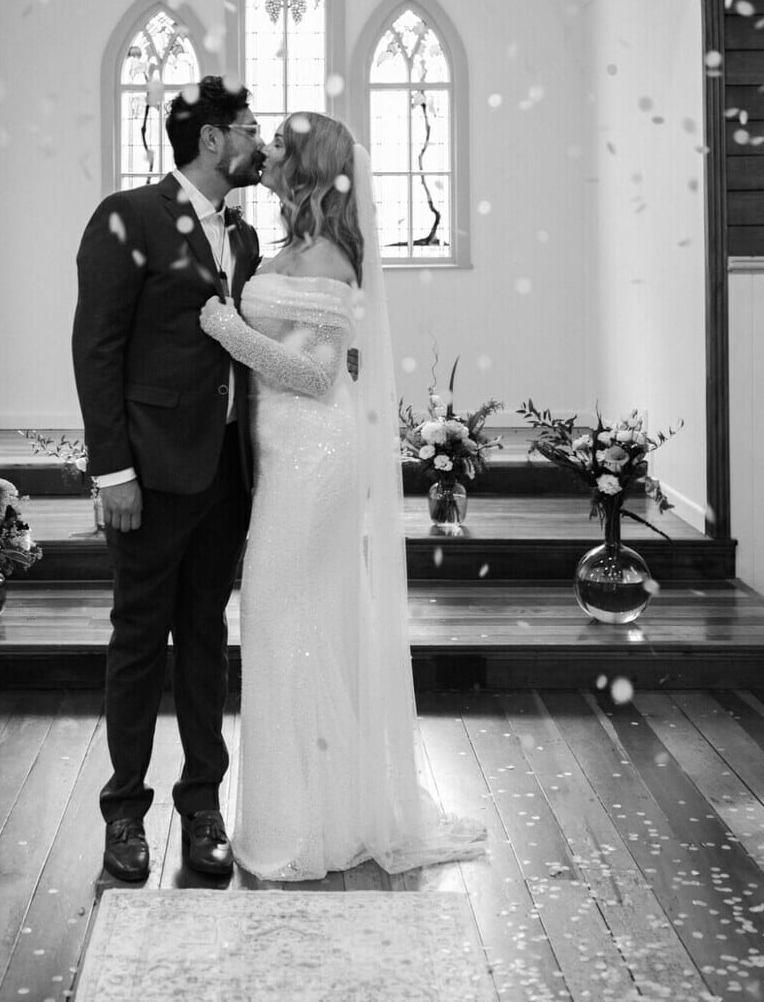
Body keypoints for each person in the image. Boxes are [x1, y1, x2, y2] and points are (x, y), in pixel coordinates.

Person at [200, 112, 487, 879]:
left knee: (277, 608)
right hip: (282, 449)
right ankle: (315, 808)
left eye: (284, 146)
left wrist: (226, 328)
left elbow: (317, 373)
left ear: (310, 168)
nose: (269, 152)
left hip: (315, 453)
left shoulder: (328, 255)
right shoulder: (291, 245)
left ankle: (303, 825)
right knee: (298, 617)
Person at [72, 76, 264, 882]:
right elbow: (96, 348)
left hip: (226, 470)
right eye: (250, 127)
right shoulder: (129, 217)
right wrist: (113, 470)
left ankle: (202, 805)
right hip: (148, 472)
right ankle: (124, 812)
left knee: (208, 642)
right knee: (139, 641)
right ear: (212, 139)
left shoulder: (247, 238)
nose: (262, 142)